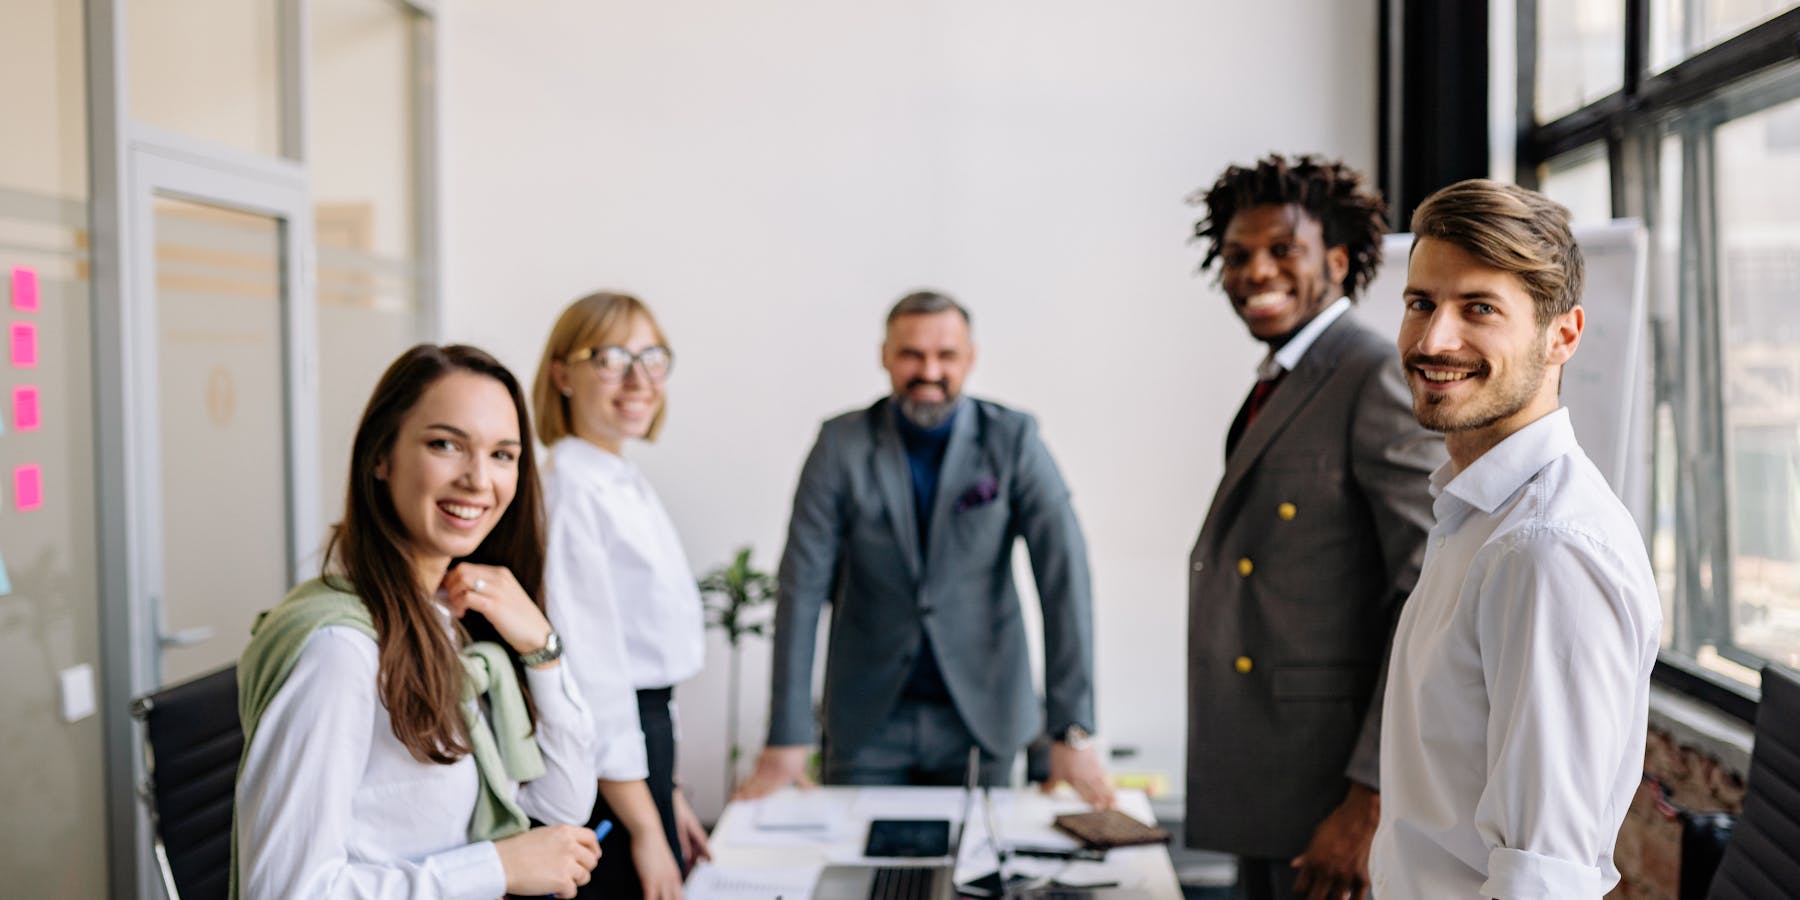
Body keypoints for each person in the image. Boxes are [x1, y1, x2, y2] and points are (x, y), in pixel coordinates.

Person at [1368, 180, 1660, 898]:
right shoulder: (1475, 515)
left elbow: (1542, 879)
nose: (1433, 341)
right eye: (1420, 303)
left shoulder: (1545, 549)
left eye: (1480, 309)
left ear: (1563, 336)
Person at [234, 344, 601, 899]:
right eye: (446, 445)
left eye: (503, 455)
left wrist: (541, 647)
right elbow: (287, 891)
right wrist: (495, 868)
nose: (479, 479)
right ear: (381, 456)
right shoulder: (341, 650)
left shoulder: (450, 616)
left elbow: (562, 805)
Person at [736, 290, 1114, 806]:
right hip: (867, 721)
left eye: (946, 355)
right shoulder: (839, 445)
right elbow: (801, 589)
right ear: (885, 356)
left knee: (979, 859)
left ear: (970, 358)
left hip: (985, 717)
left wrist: (1071, 729)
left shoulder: (1014, 439)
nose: (929, 371)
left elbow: (1064, 578)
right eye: (912, 355)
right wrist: (787, 734)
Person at [1184, 155, 1445, 900]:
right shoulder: (1286, 378)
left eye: (1281, 250)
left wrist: (1371, 800)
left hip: (1334, 793)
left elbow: (1425, 600)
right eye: (1237, 255)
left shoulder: (1372, 374)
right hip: (1273, 777)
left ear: (1335, 260)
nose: (1254, 272)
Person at [533, 292, 712, 899]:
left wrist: (669, 795)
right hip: (607, 768)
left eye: (652, 358)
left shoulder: (619, 476)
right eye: (611, 359)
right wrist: (645, 827)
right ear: (563, 374)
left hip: (643, 754)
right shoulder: (571, 490)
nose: (639, 379)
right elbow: (593, 682)